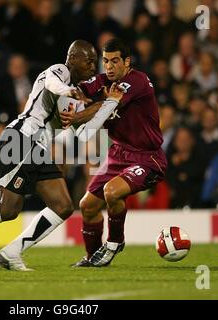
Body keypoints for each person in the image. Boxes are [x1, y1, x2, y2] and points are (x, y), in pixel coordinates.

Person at [0, 40, 123, 271]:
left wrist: (110, 103)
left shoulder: (76, 94)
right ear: (74, 58)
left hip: (38, 147)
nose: (92, 66)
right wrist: (69, 90)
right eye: (88, 60)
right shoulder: (60, 71)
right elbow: (52, 83)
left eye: (93, 62)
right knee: (8, 208)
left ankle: (10, 252)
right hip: (23, 137)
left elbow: (83, 129)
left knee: (62, 206)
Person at [61, 38, 167, 267]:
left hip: (147, 157)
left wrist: (76, 117)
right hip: (117, 154)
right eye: (105, 61)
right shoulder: (101, 80)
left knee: (111, 192)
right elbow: (79, 89)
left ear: (127, 62)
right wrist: (71, 94)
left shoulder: (137, 81)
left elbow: (107, 105)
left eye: (115, 61)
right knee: (87, 205)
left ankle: (115, 241)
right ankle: (92, 257)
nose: (108, 67)